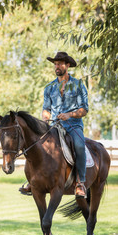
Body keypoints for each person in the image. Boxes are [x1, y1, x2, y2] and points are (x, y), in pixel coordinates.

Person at [19, 51, 88, 198]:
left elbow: (84, 110)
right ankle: (32, 181)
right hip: (54, 126)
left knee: (80, 146)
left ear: (67, 65)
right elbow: (46, 108)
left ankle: (80, 182)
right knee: (38, 145)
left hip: (73, 126)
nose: (57, 66)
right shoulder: (49, 87)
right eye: (55, 64)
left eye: (60, 64)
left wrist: (69, 114)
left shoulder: (78, 85)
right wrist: (45, 119)